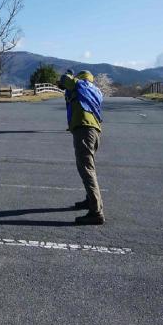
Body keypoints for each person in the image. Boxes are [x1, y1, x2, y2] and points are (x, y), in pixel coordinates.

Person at [58, 70, 105, 225]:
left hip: (84, 130)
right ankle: (89, 200)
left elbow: (65, 80)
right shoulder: (95, 90)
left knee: (86, 169)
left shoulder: (80, 85)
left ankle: (96, 212)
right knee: (89, 167)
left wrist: (68, 75)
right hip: (95, 131)